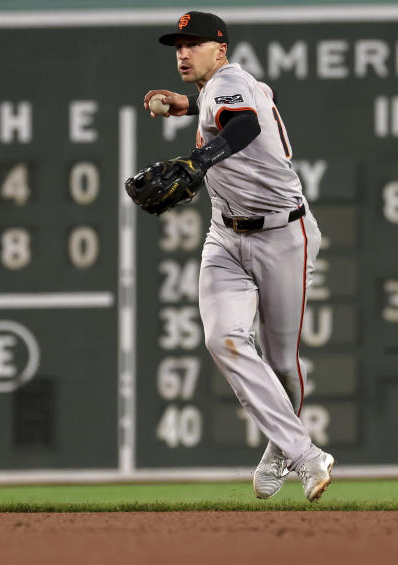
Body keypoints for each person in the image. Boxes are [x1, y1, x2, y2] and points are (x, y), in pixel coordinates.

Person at [142, 10, 334, 502]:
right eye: (178, 44)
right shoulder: (226, 87)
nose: (182, 52)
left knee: (281, 364)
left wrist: (198, 158)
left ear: (220, 48)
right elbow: (253, 103)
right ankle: (305, 454)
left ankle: (279, 450)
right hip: (224, 237)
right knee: (222, 338)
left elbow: (244, 125)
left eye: (194, 43)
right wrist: (188, 106)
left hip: (282, 236)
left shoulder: (229, 81)